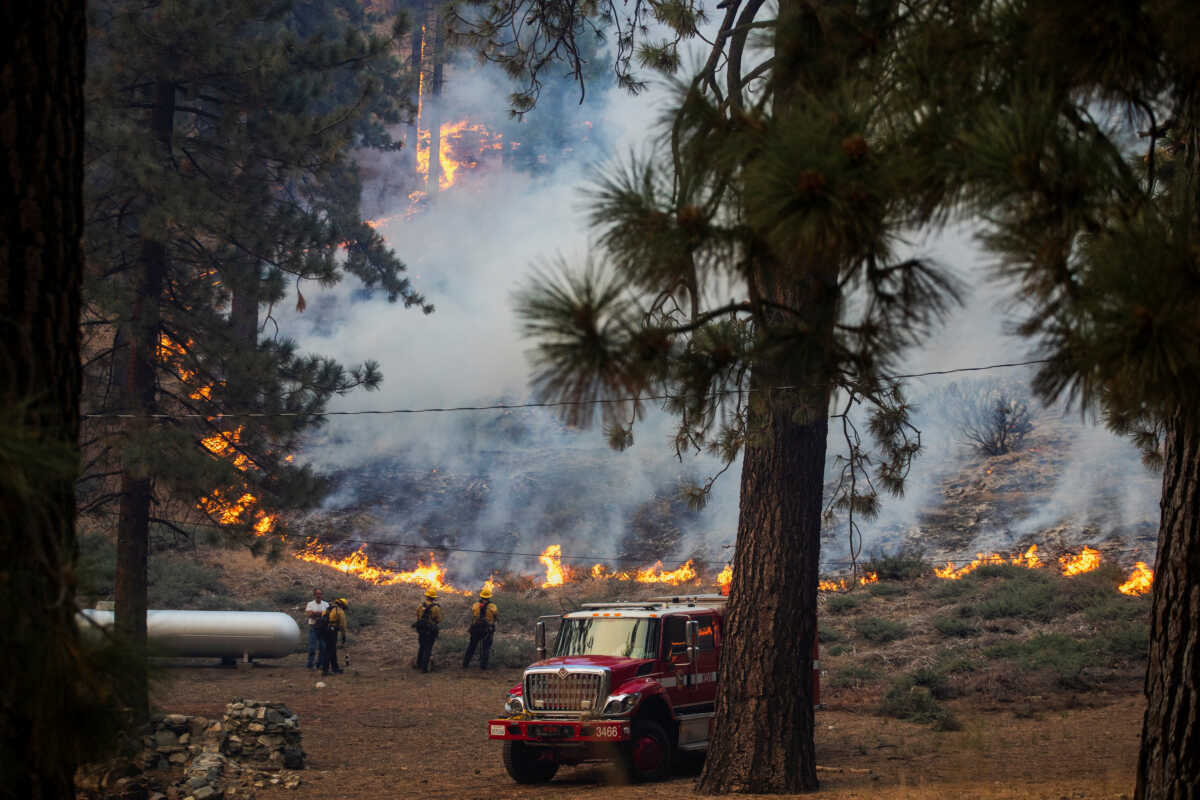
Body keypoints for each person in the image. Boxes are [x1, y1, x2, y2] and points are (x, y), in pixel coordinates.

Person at [463, 585, 499, 670]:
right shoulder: (493, 606)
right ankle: (483, 666)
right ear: (489, 597)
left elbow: (474, 614)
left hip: (476, 629)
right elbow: (496, 615)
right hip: (487, 630)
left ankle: (465, 663)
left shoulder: (475, 605)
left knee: (471, 646)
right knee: (486, 648)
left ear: (481, 596)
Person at [413, 586, 441, 673]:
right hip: (430, 631)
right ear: (433, 598)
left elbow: (417, 616)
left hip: (421, 630)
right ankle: (424, 668)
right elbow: (439, 619)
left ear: (426, 596)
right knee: (428, 648)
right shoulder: (436, 608)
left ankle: (418, 664)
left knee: (421, 647)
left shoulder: (420, 606)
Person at [321, 597, 348, 676]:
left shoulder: (328, 609)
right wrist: (343, 636)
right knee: (329, 651)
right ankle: (325, 670)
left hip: (325, 631)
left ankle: (335, 668)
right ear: (342, 605)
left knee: (332, 650)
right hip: (332, 631)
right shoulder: (339, 611)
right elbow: (342, 625)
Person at [305, 588, 329, 670]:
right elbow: (309, 615)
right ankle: (310, 664)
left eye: (320, 594)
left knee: (323, 647)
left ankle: (320, 664)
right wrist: (321, 614)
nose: (318, 595)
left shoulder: (326, 604)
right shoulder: (310, 604)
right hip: (313, 627)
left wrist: (315, 613)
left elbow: (328, 615)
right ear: (314, 595)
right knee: (312, 647)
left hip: (323, 628)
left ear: (322, 595)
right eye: (317, 594)